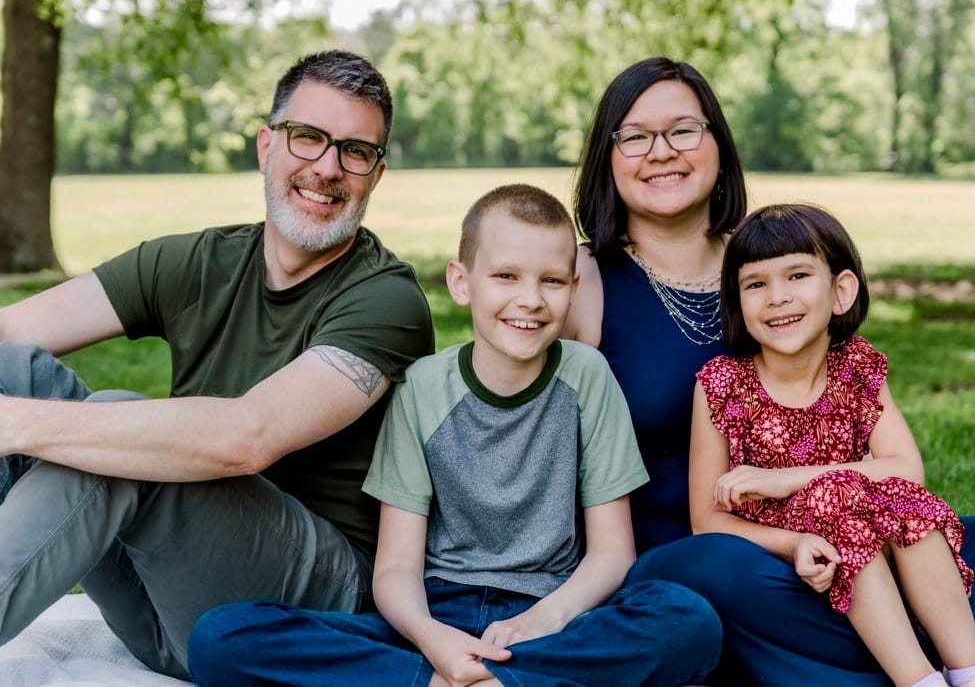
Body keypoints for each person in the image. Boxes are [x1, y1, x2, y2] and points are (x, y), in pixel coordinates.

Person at [562, 56, 975, 685]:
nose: (661, 152)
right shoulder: (583, 278)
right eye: (635, 135)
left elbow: (877, 445)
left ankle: (869, 659)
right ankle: (949, 665)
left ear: (718, 143)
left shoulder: (772, 256)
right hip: (711, 554)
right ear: (607, 155)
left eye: (684, 130)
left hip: (843, 542)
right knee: (711, 584)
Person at [0, 50, 434, 680]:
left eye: (355, 151)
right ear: (266, 146)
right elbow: (10, 333)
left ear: (376, 173)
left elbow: (246, 439)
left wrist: (14, 426)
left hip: (302, 607)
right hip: (158, 600)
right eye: (307, 138)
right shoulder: (200, 261)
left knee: (115, 425)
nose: (327, 168)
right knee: (15, 373)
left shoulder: (386, 299)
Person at [186, 183, 723, 687]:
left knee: (688, 620)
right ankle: (467, 680)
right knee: (221, 638)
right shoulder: (422, 389)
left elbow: (612, 551)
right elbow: (396, 565)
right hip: (437, 614)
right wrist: (430, 638)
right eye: (506, 276)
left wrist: (544, 619)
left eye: (551, 281)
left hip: (552, 616)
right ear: (461, 282)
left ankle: (480, 678)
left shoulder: (586, 376)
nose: (530, 300)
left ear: (573, 287)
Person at [694, 202, 975, 687]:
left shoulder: (856, 366)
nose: (777, 297)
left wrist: (783, 480)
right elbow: (706, 521)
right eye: (756, 284)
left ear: (841, 291)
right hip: (787, 558)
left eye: (797, 276)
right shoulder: (723, 383)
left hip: (871, 549)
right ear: (737, 303)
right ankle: (919, 681)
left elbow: (906, 470)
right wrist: (795, 542)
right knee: (835, 498)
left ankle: (974, 675)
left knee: (928, 513)